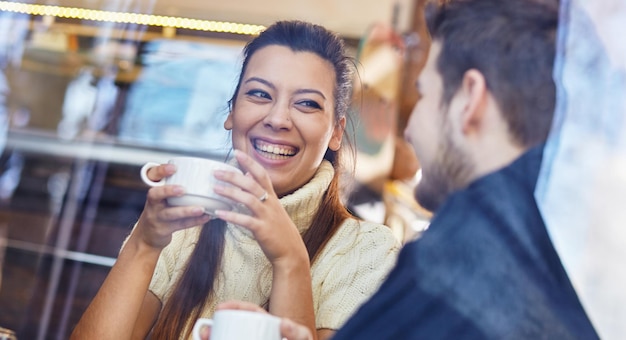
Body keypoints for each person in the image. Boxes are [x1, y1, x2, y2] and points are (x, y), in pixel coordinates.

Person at [219, 0, 600, 339]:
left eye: (425, 94)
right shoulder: (566, 262)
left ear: (470, 99)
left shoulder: (452, 271)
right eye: (258, 94)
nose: (409, 129)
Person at [70, 20, 399, 340]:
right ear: (231, 111)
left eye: (307, 103)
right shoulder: (185, 226)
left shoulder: (369, 251)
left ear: (336, 132)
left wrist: (290, 261)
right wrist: (144, 241)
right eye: (259, 94)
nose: (277, 119)